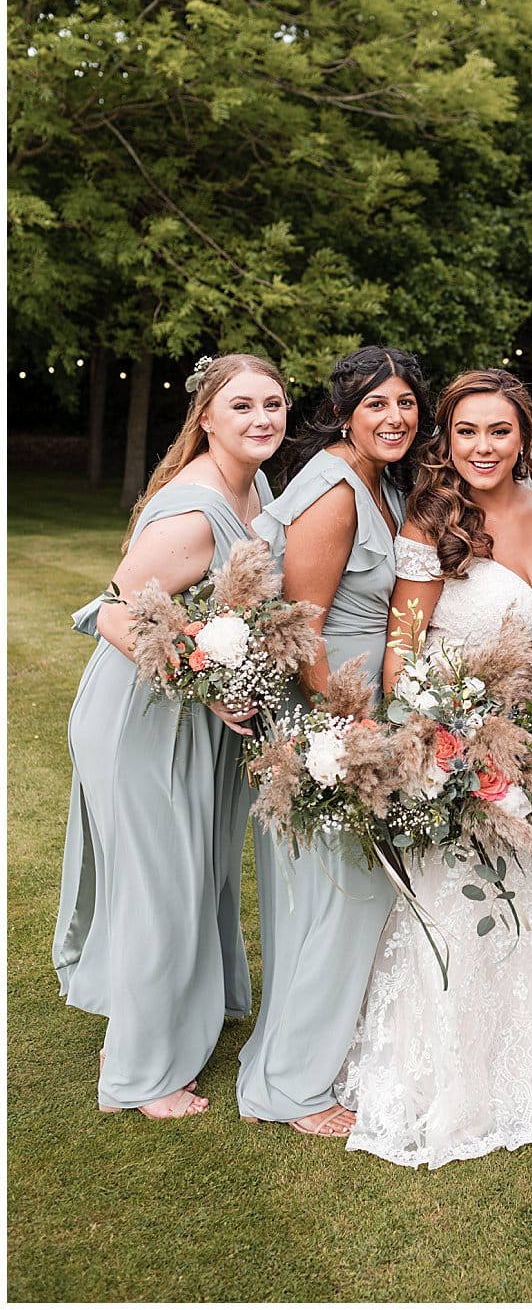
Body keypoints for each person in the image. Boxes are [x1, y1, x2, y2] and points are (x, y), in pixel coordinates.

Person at [336, 369, 532, 1167]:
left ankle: (526, 1061)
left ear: (526, 435)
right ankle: (448, 1076)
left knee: (528, 899)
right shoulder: (433, 519)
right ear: (446, 439)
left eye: (499, 430)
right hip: (457, 743)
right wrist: (437, 738)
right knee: (459, 904)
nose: (483, 447)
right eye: (466, 432)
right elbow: (401, 654)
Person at [53, 353, 289, 1118]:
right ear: (207, 417)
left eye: (275, 405)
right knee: (160, 883)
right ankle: (139, 1076)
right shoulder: (193, 509)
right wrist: (208, 681)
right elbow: (112, 612)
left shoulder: (257, 487)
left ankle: (154, 1019)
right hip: (144, 715)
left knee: (192, 874)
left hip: (196, 720)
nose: (262, 419)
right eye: (244, 406)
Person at [236, 346, 433, 1136]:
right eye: (377, 403)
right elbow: (303, 628)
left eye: (407, 403)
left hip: (363, 709)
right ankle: (289, 1089)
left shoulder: (380, 482)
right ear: (345, 410)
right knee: (347, 897)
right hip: (330, 716)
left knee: (339, 897)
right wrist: (347, 729)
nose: (395, 417)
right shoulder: (331, 487)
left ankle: (301, 1057)